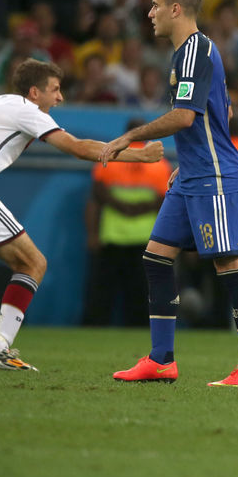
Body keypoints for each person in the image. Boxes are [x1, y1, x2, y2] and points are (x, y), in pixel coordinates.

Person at [0, 60, 164, 370]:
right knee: (33, 263)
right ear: (34, 92)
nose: (60, 97)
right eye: (54, 90)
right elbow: (78, 148)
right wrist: (139, 154)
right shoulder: (26, 109)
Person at [105, 0, 238, 388]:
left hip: (214, 177)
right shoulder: (188, 54)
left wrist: (131, 136)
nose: (150, 13)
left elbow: (184, 116)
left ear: (176, 9)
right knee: (156, 257)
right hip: (193, 173)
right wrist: (189, 159)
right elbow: (223, 112)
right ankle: (161, 359)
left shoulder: (195, 51)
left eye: (156, 5)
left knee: (230, 266)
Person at [83, 119, 172, 327]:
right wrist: (140, 208)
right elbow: (164, 202)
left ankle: (94, 333)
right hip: (147, 239)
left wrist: (93, 234)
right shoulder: (160, 164)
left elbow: (97, 196)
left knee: (102, 295)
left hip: (112, 236)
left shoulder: (110, 155)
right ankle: (139, 335)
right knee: (140, 297)